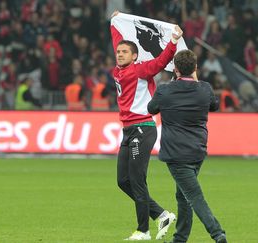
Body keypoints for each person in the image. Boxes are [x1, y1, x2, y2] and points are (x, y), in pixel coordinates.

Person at [110, 11, 181, 241]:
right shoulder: (118, 71)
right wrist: (114, 23)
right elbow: (117, 42)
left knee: (137, 180)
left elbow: (161, 62)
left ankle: (143, 231)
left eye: (124, 52)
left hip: (143, 128)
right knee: (123, 181)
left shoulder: (141, 69)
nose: (119, 54)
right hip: (128, 130)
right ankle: (161, 214)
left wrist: (173, 41)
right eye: (118, 52)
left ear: (134, 56)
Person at [147, 49, 227, 243]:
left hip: (176, 153)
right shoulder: (205, 88)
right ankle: (180, 239)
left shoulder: (165, 90)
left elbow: (151, 109)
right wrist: (196, 79)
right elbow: (214, 106)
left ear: (175, 69)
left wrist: (174, 81)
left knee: (192, 196)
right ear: (195, 68)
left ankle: (217, 233)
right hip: (197, 150)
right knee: (183, 196)